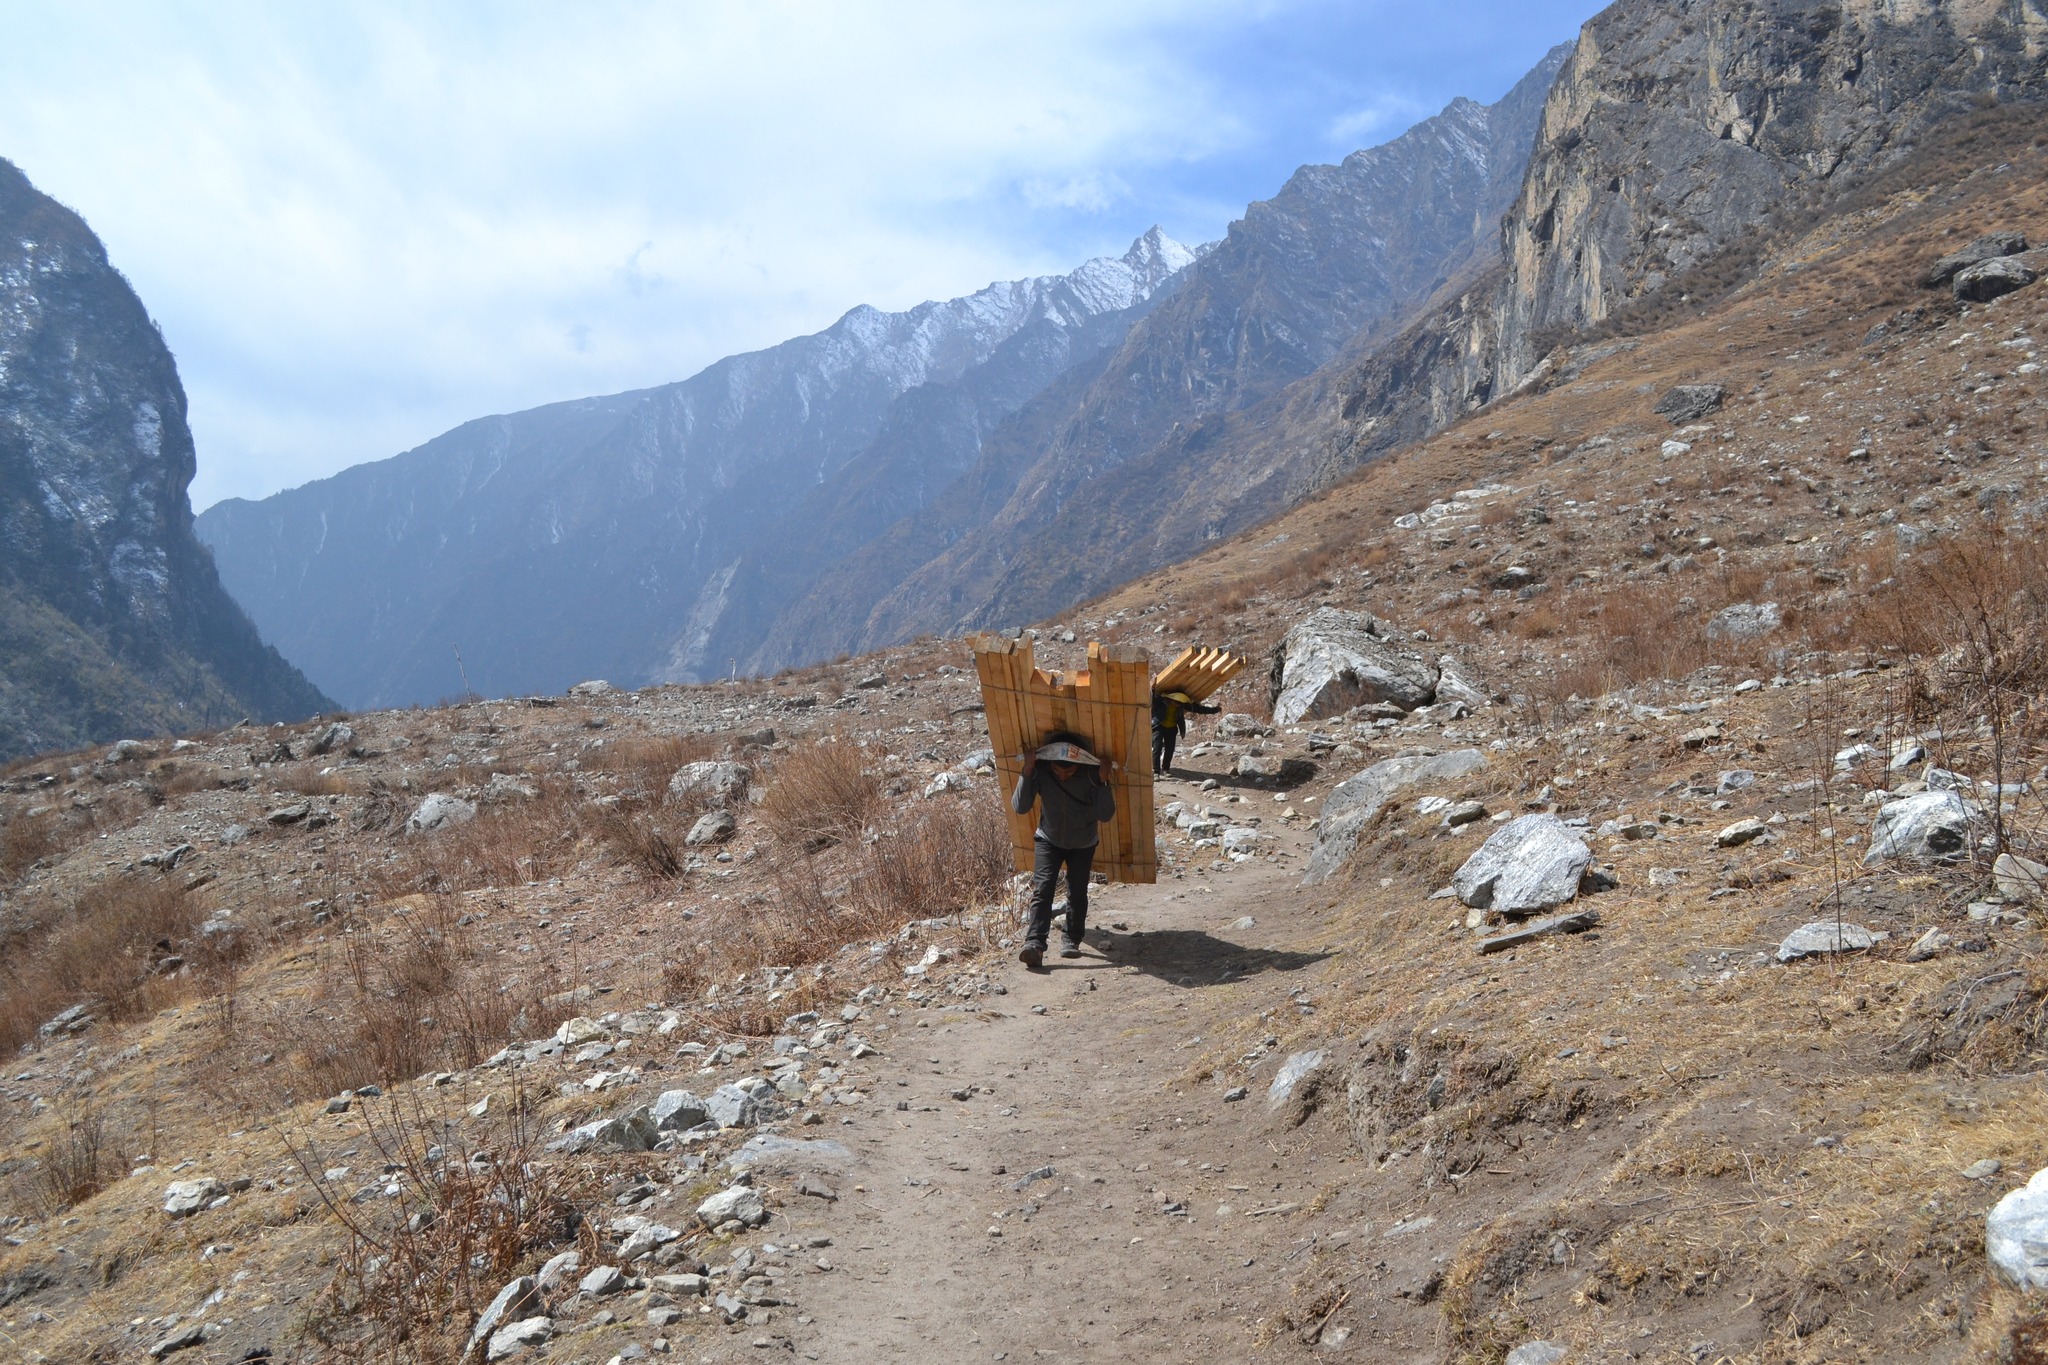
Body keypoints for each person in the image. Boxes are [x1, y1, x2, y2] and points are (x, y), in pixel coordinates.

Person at [1011, 734, 1116, 968]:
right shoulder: (1041, 770)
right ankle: (1035, 945)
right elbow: (1020, 806)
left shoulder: (1091, 774)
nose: (1062, 775)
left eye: (1068, 772)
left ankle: (1071, 938)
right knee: (1043, 888)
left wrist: (1103, 781)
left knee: (1077, 892)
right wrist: (1027, 770)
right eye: (1057, 771)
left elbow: (1106, 814)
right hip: (1049, 839)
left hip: (1083, 842)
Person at [1151, 690, 1220, 775]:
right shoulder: (1160, 702)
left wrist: (1215, 710)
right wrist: (1153, 688)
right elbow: (1150, 699)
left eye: (1180, 703)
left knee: (1170, 750)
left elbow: (1199, 709)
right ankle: (1156, 771)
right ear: (1171, 699)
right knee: (1157, 748)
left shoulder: (1181, 705)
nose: (1178, 705)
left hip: (1171, 729)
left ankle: (1166, 769)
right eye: (1176, 702)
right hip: (1158, 727)